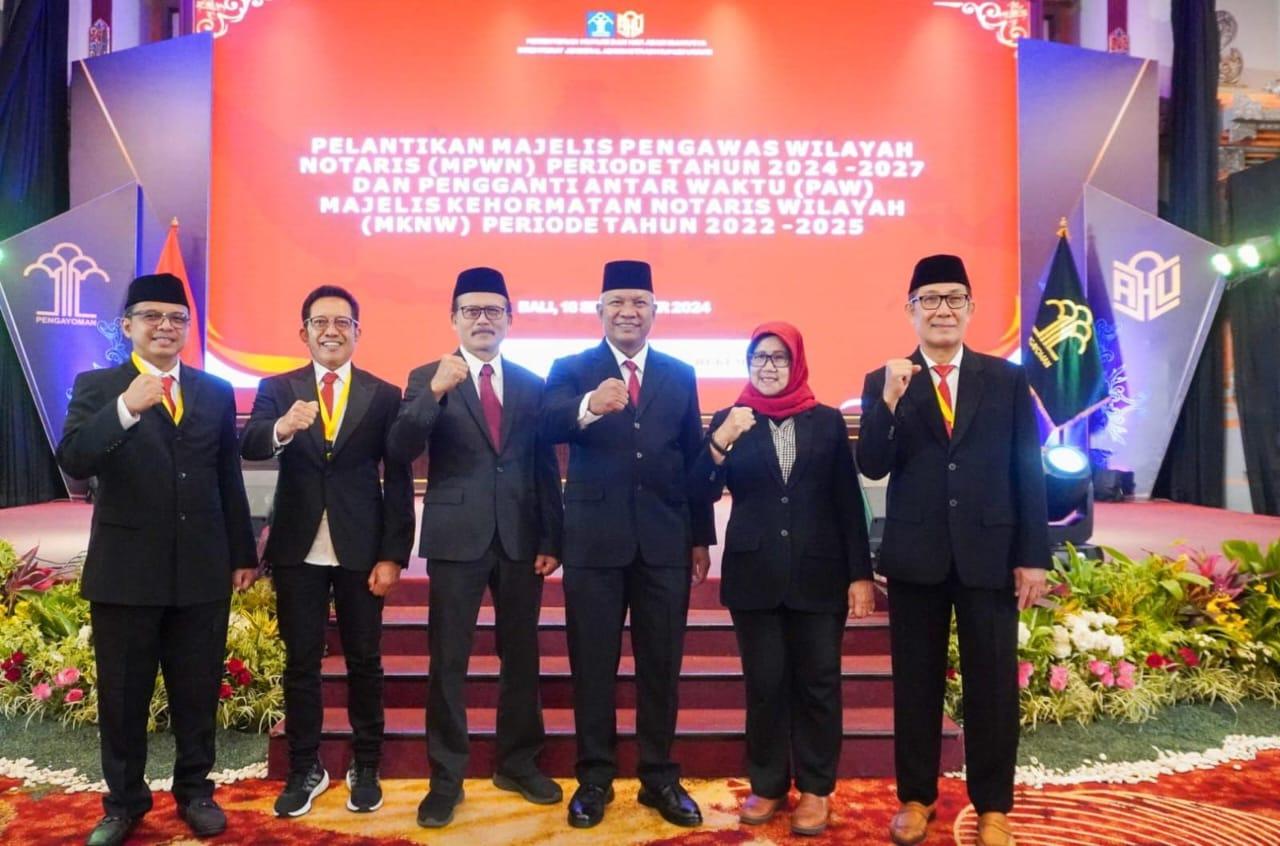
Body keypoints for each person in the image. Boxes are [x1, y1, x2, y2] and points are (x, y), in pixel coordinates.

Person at [56, 273, 258, 846]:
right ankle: (123, 804)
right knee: (124, 697)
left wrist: (242, 553)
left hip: (201, 569)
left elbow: (227, 475)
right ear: (127, 326)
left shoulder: (214, 391)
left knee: (197, 692)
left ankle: (196, 792)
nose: (165, 326)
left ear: (188, 328)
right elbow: (73, 458)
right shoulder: (98, 386)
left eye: (176, 318)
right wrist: (124, 408)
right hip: (125, 571)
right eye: (151, 316)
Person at [856, 255, 1050, 846]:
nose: (943, 309)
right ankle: (916, 799)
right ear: (910, 310)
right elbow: (872, 465)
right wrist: (887, 404)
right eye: (930, 299)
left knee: (993, 686)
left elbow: (1027, 468)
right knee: (915, 686)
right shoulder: (886, 379)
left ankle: (993, 807)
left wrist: (1033, 555)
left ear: (971, 307)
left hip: (989, 553)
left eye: (954, 298)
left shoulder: (1006, 379)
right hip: (916, 556)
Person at [385, 267, 564, 827]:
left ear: (510, 318)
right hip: (455, 538)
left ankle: (518, 763)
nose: (482, 319)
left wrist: (550, 537)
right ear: (454, 318)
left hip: (520, 538)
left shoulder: (532, 383)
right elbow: (399, 447)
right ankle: (446, 778)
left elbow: (543, 467)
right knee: (448, 662)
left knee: (522, 656)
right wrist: (435, 393)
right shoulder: (427, 376)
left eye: (493, 310)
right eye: (471, 310)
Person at [541, 260, 714, 830]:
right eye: (617, 301)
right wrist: (589, 405)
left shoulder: (679, 373)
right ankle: (595, 777)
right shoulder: (571, 368)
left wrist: (700, 536)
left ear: (655, 311)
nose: (628, 311)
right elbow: (545, 425)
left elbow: (692, 459)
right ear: (599, 310)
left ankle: (659, 776)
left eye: (639, 301)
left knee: (661, 665)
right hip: (594, 543)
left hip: (665, 541)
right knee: (593, 665)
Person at [689, 322, 875, 836]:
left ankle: (816, 788)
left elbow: (847, 500)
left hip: (820, 573)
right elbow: (699, 491)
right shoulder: (731, 419)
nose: (768, 366)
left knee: (818, 683)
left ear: (797, 363)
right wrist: (720, 442)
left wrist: (860, 574)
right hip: (756, 574)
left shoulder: (827, 421)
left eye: (778, 357)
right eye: (759, 357)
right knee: (765, 684)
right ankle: (768, 783)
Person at [240, 285, 414, 817]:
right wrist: (281, 428)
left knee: (365, 661)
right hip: (297, 546)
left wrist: (394, 554)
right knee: (301, 662)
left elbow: (398, 478)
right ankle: (304, 767)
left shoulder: (383, 394)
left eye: (342, 322)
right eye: (320, 322)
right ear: (304, 332)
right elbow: (250, 444)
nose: (331, 331)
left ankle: (367, 764)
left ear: (358, 332)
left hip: (362, 547)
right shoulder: (278, 388)